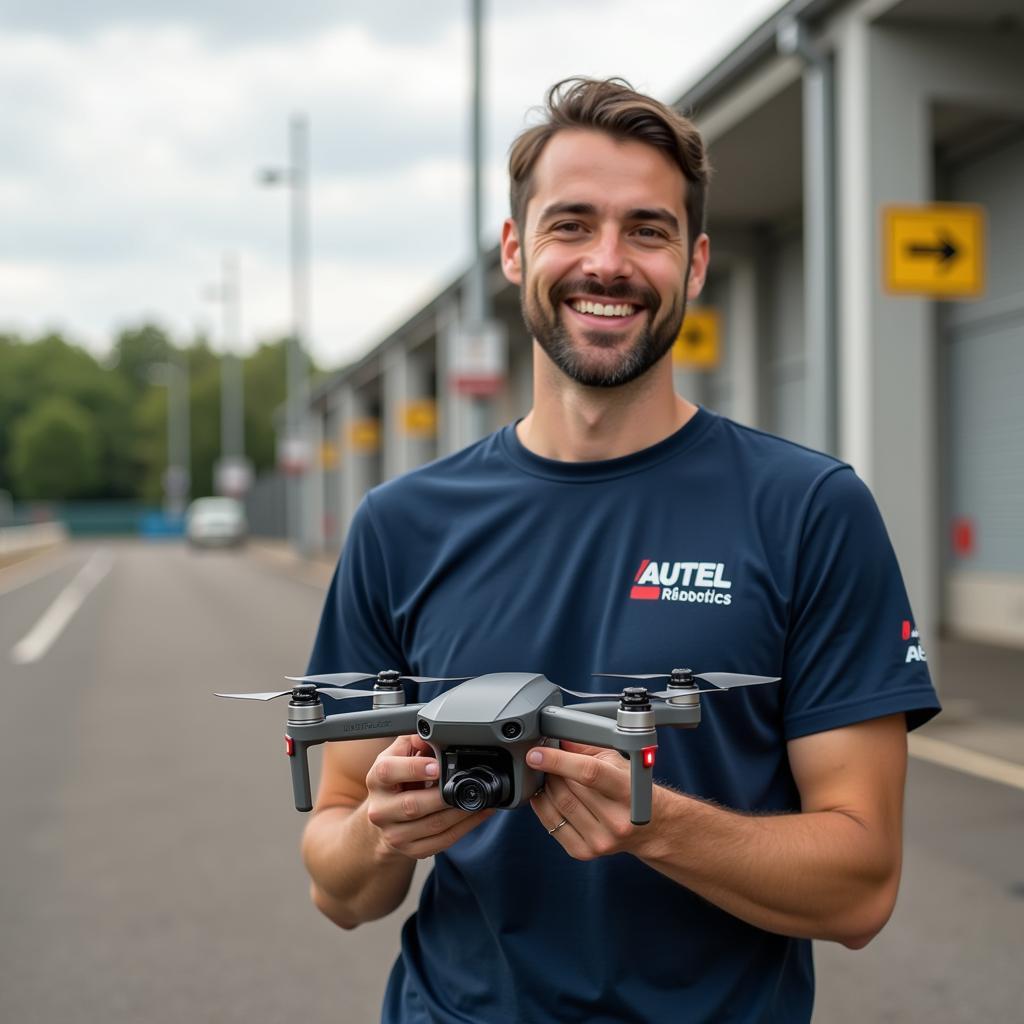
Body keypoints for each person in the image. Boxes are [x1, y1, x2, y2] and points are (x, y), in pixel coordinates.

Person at [300, 77, 940, 1023]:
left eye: (647, 230)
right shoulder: (402, 522)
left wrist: (654, 826)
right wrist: (386, 833)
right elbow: (338, 882)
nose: (608, 262)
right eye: (571, 225)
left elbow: (860, 889)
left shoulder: (810, 510)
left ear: (695, 263)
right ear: (516, 251)